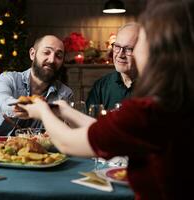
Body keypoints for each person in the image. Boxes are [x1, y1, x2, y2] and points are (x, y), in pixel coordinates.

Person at [19, 1, 194, 199]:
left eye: (137, 45)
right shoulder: (175, 104)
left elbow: (68, 143)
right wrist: (66, 111)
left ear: (160, 52)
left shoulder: (148, 111)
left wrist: (42, 110)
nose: (126, 54)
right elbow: (111, 132)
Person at [0, 35, 73, 136]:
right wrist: (19, 107)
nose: (52, 60)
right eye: (46, 52)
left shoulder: (65, 94)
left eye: (58, 56)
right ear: (33, 54)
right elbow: (0, 100)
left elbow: (66, 131)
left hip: (43, 151)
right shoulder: (8, 79)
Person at [86, 22, 140, 110]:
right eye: (117, 46)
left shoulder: (153, 88)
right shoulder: (101, 86)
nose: (120, 54)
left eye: (128, 49)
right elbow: (89, 120)